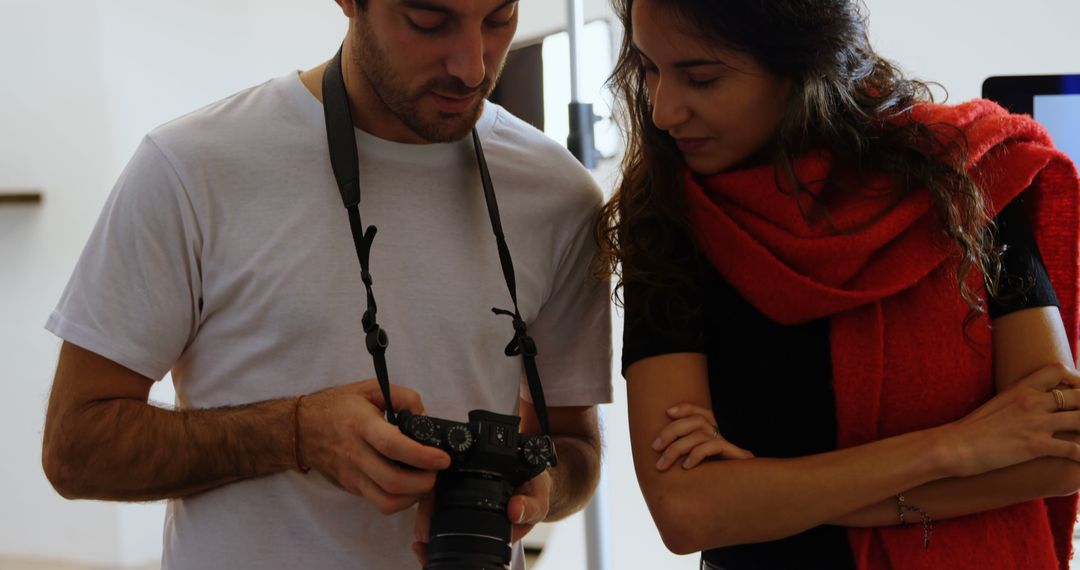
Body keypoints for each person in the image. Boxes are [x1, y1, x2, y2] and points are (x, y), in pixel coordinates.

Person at [40, 1, 612, 569]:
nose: (472, 65)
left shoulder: (559, 195)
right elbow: (76, 447)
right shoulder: (192, 167)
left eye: (498, 19)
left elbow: (576, 450)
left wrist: (536, 489)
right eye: (428, 21)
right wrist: (296, 433)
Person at [594, 0, 1080, 568]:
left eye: (701, 78)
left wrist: (770, 494)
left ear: (802, 67)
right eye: (648, 67)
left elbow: (1060, 450)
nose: (663, 111)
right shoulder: (667, 214)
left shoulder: (962, 174)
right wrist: (958, 447)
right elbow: (688, 512)